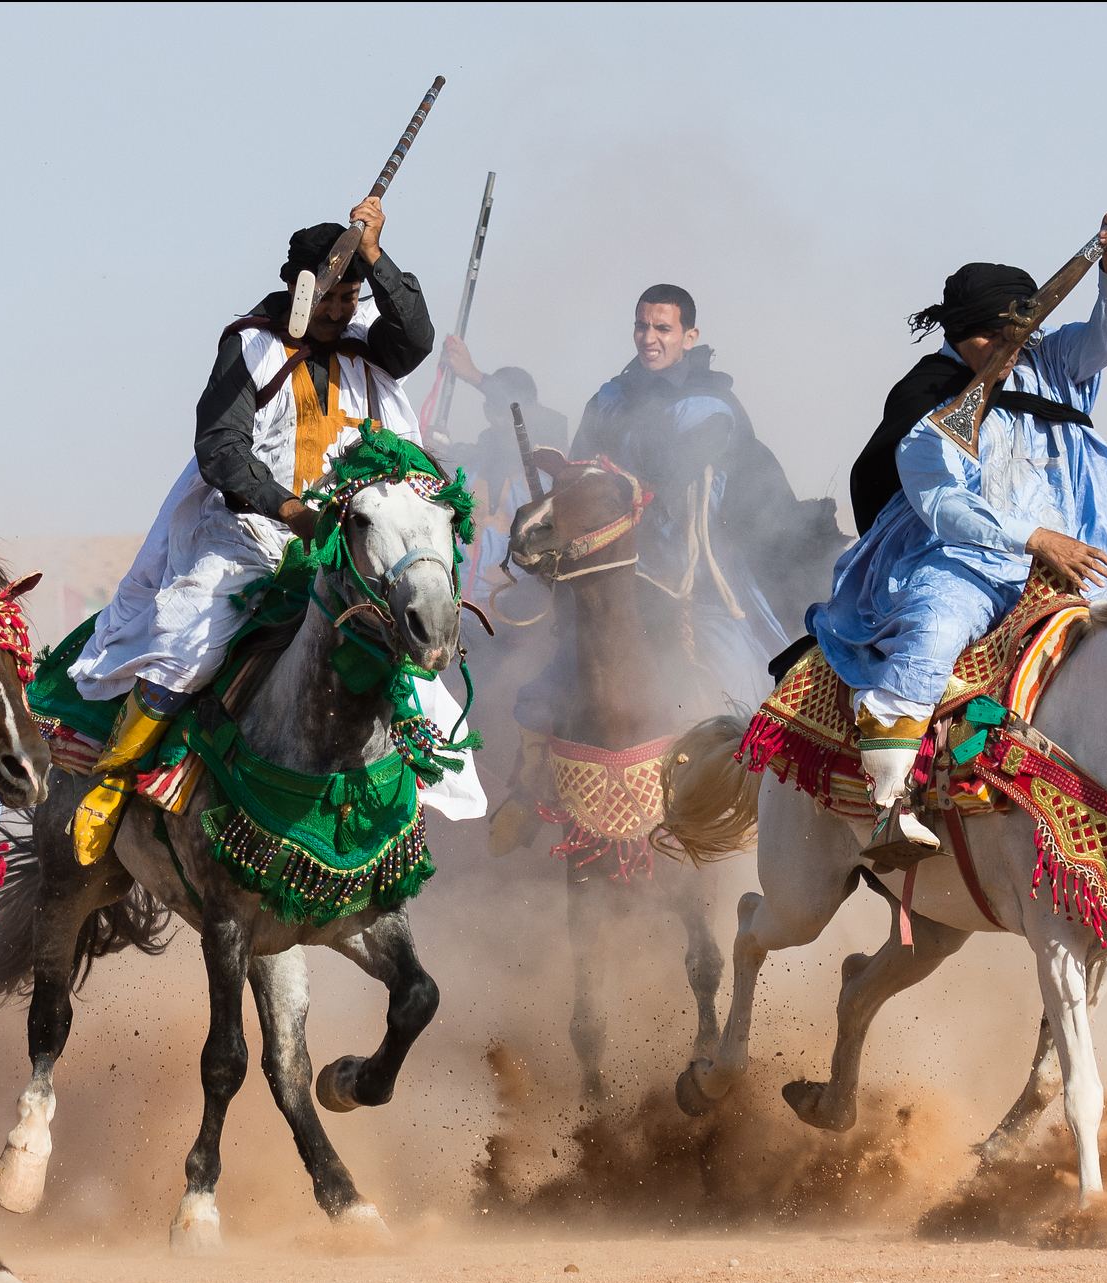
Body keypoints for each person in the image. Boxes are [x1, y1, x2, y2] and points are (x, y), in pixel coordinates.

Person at [68, 199, 468, 863]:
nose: (343, 310)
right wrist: (290, 511)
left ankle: (395, 809)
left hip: (352, 541)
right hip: (253, 532)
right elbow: (221, 447)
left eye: (352, 296)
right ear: (299, 286)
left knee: (413, 651)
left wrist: (372, 250)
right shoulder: (251, 344)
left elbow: (419, 337)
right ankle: (114, 780)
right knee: (188, 635)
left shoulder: (373, 346)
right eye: (332, 297)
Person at [809, 210, 1107, 857]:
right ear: (965, 335)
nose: (1011, 345)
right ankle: (889, 801)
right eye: (997, 334)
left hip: (1076, 548)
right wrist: (1034, 539)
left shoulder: (1050, 361)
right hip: (966, 557)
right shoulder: (930, 398)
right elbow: (941, 502)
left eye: (1016, 331)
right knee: (936, 627)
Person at [570, 284, 827, 701]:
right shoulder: (609, 398)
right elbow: (578, 466)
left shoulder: (711, 405)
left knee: (739, 685)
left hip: (698, 579)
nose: (649, 338)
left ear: (689, 337)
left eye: (663, 328)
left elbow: (670, 469)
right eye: (641, 326)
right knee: (553, 676)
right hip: (611, 565)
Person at [433, 335, 568, 604]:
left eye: (507, 409)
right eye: (493, 407)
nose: (500, 416)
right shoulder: (465, 469)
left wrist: (476, 377)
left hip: (512, 615)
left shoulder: (542, 484)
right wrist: (431, 449)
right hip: (453, 607)